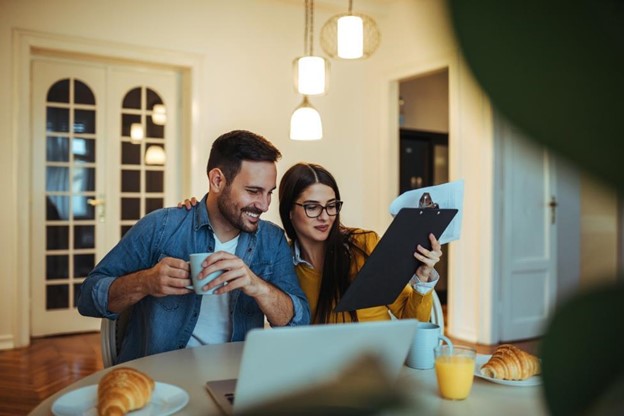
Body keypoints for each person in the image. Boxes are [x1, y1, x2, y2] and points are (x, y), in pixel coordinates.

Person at [78, 130, 310, 364]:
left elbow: (299, 321)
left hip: (237, 377)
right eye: (253, 191)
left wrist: (256, 286)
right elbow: (88, 297)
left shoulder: (272, 240)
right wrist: (146, 282)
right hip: (161, 378)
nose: (264, 205)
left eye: (269, 193)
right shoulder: (162, 227)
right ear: (217, 180)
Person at [181, 162, 442, 324]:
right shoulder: (280, 261)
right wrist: (198, 209)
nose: (325, 216)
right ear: (289, 211)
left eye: (331, 206)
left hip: (378, 362)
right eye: (312, 207)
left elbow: (412, 319)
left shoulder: (364, 244)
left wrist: (423, 278)